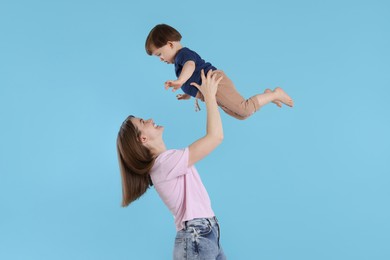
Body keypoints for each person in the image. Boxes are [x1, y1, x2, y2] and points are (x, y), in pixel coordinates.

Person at [117, 70, 226, 259]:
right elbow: (215, 137)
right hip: (197, 235)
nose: (150, 120)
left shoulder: (165, 163)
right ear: (143, 138)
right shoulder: (164, 164)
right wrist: (209, 97)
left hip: (204, 233)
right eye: (144, 122)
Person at [145, 23, 294, 120]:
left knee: (245, 109)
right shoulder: (178, 62)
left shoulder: (184, 54)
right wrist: (187, 93)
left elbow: (190, 67)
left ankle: (276, 93)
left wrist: (180, 81)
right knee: (241, 115)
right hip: (211, 92)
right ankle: (267, 96)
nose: (161, 59)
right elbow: (192, 77)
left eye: (159, 54)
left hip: (216, 83)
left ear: (170, 44)